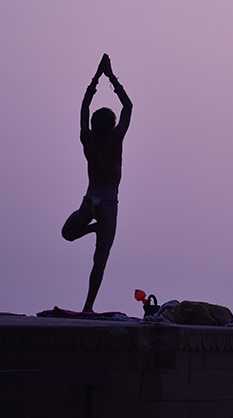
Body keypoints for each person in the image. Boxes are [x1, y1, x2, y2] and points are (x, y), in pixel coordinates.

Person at [61, 53, 132, 312]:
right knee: (100, 258)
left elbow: (83, 108)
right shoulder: (116, 139)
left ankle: (89, 222)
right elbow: (129, 106)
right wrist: (111, 76)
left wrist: (95, 80)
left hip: (92, 197)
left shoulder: (87, 139)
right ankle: (88, 307)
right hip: (109, 202)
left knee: (67, 233)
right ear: (112, 125)